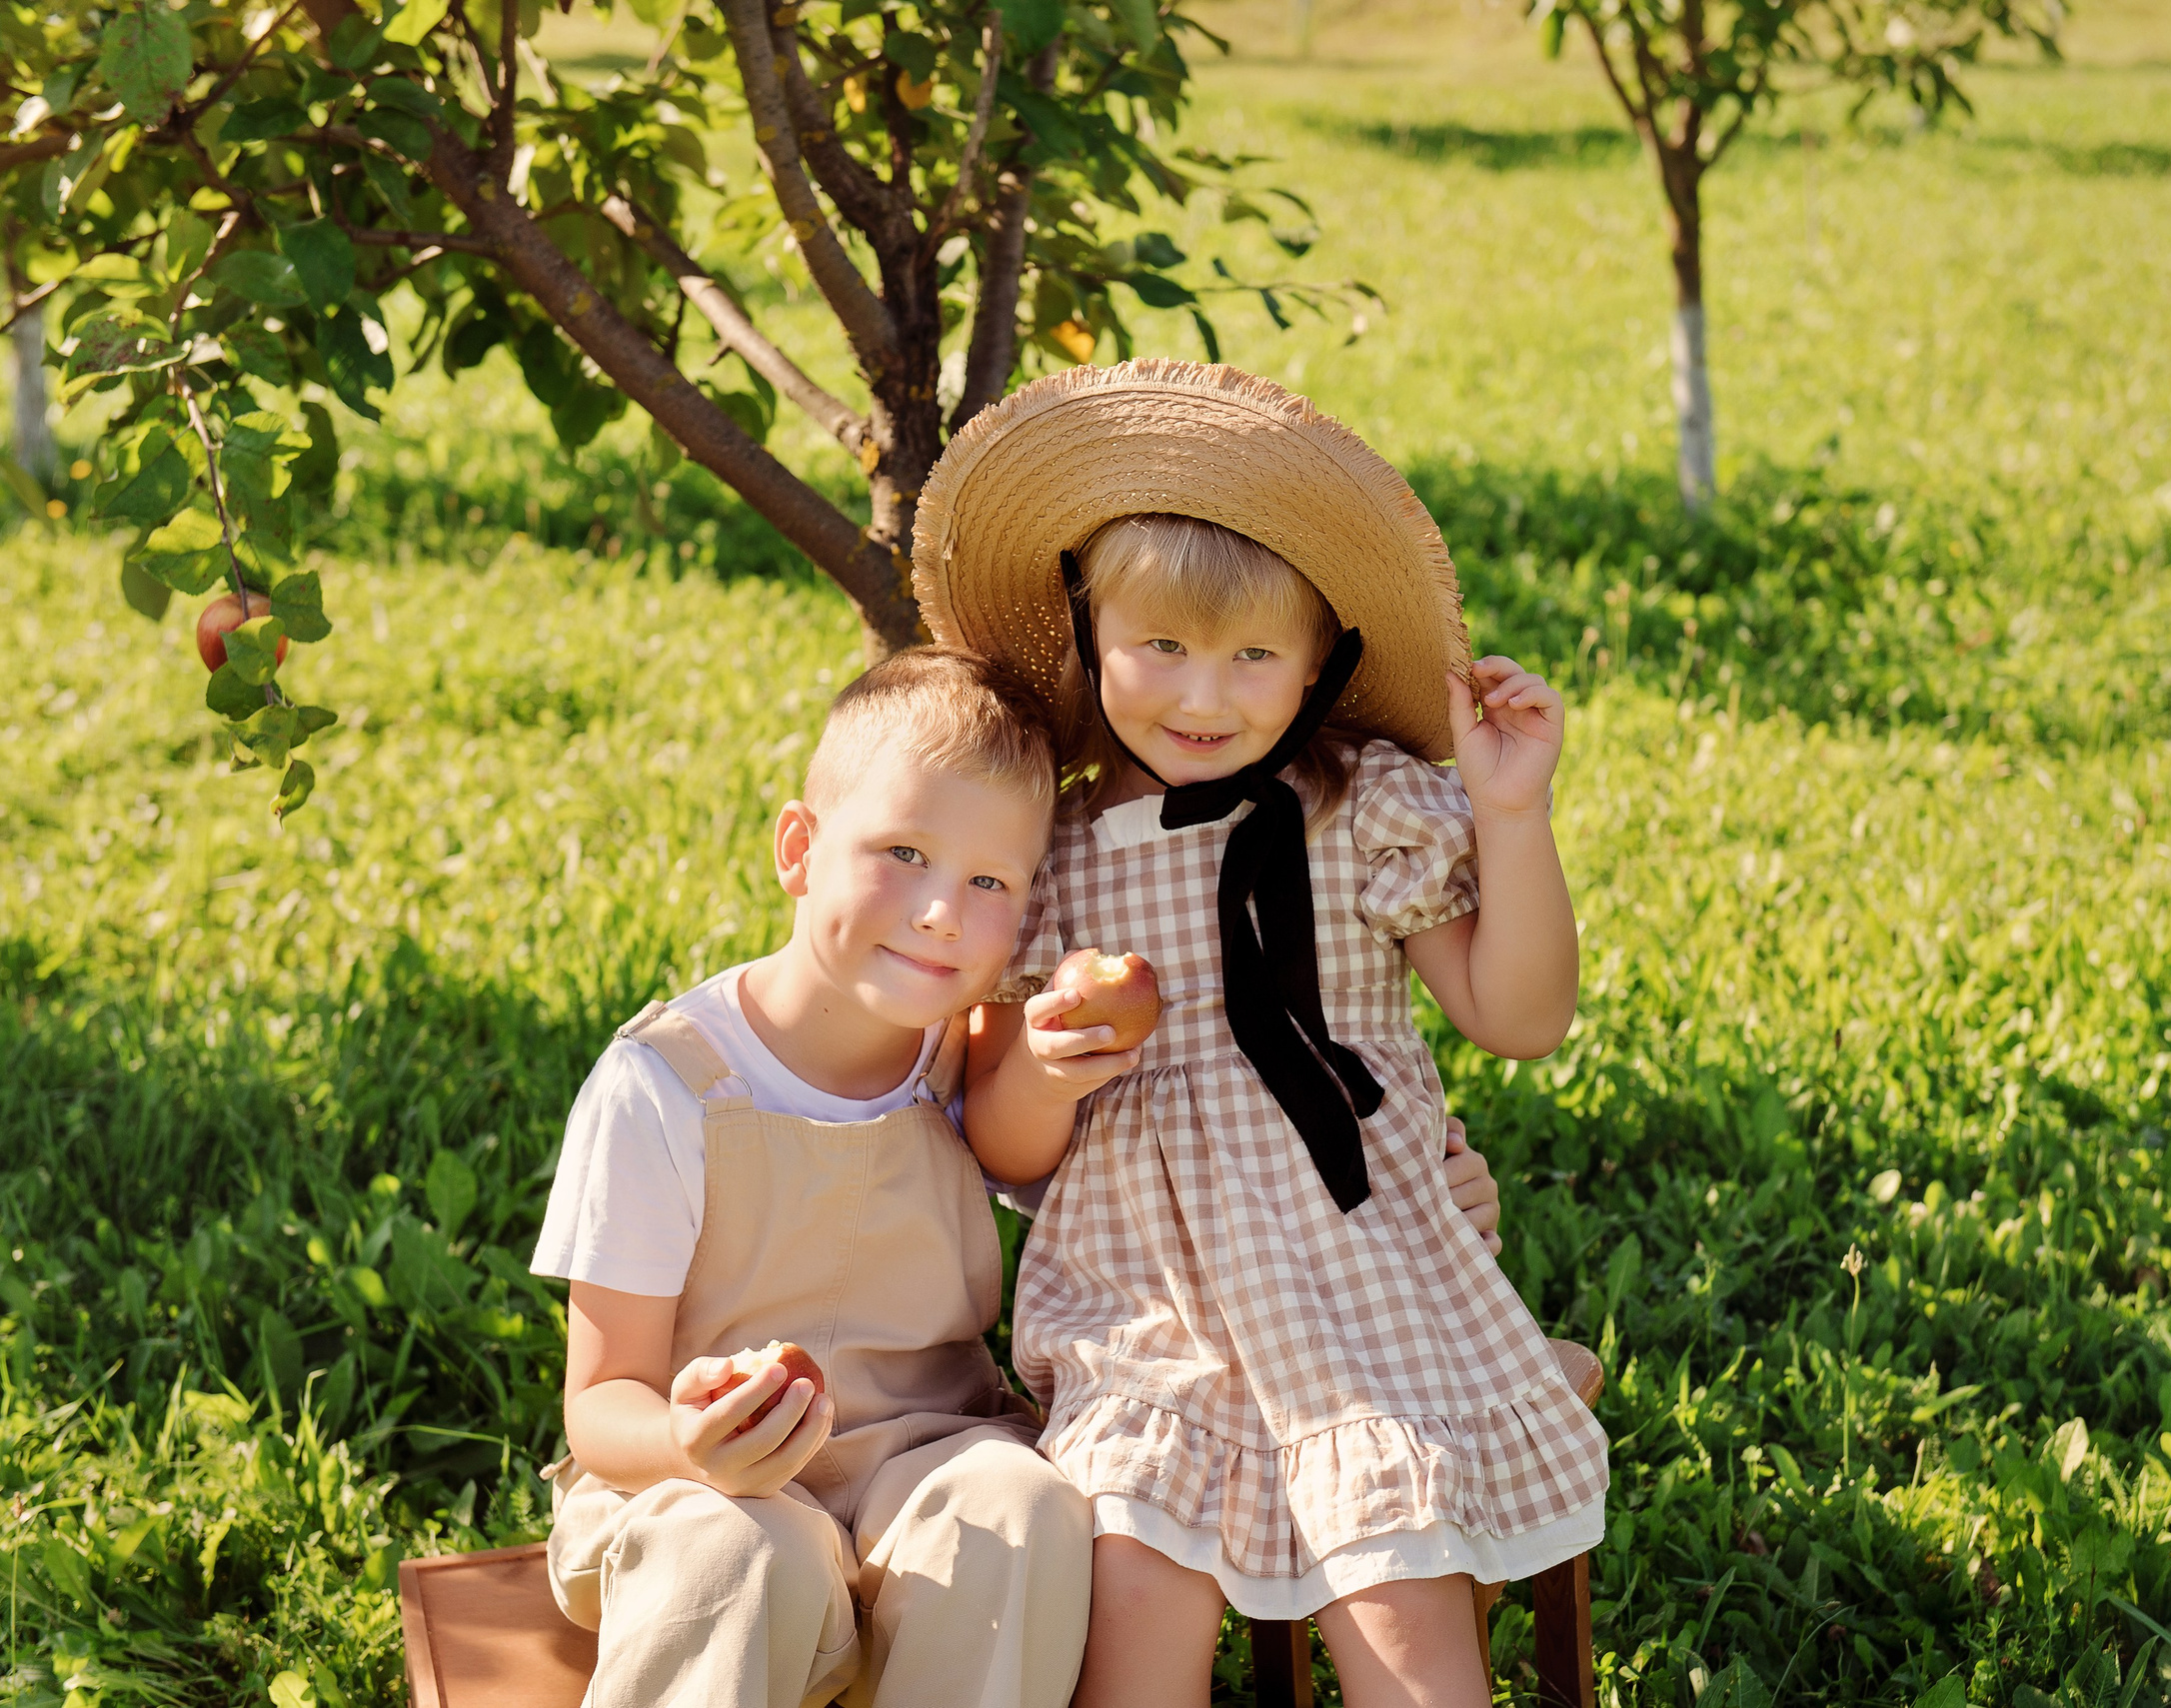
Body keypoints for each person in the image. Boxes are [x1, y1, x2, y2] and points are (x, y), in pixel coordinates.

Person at [527, 644, 1508, 1708]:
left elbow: (1209, 1180)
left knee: (1022, 1505)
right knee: (734, 1557)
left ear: (1033, 907)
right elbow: (601, 1402)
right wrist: (687, 1439)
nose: (943, 911)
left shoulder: (982, 1057)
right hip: (699, 1486)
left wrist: (1419, 1189)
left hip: (924, 1453)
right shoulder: (668, 1084)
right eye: (901, 850)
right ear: (798, 847)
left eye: (989, 880)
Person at [916, 361, 1610, 1708]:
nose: (1202, 695)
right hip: (1148, 1305)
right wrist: (1052, 1068)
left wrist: (1513, 816)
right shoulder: (1048, 857)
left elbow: (1518, 1017)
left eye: (1253, 656)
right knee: (1138, 1599)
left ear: (1322, 661)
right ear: (1086, 627)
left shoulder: (1368, 804)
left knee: (1397, 1597)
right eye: (1160, 645)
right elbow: (1000, 1141)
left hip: (1364, 1283)